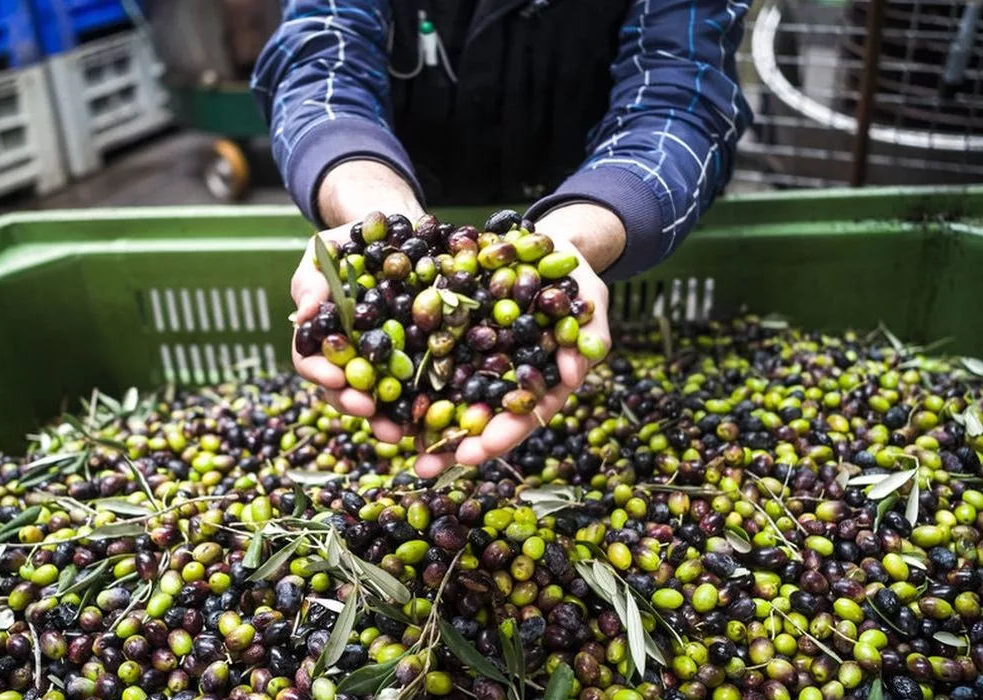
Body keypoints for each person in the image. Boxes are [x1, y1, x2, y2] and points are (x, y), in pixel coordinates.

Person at [252, 0, 752, 477]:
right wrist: (366, 198)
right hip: (408, 180)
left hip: (609, 231)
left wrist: (587, 224)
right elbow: (320, 62)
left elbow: (682, 96)